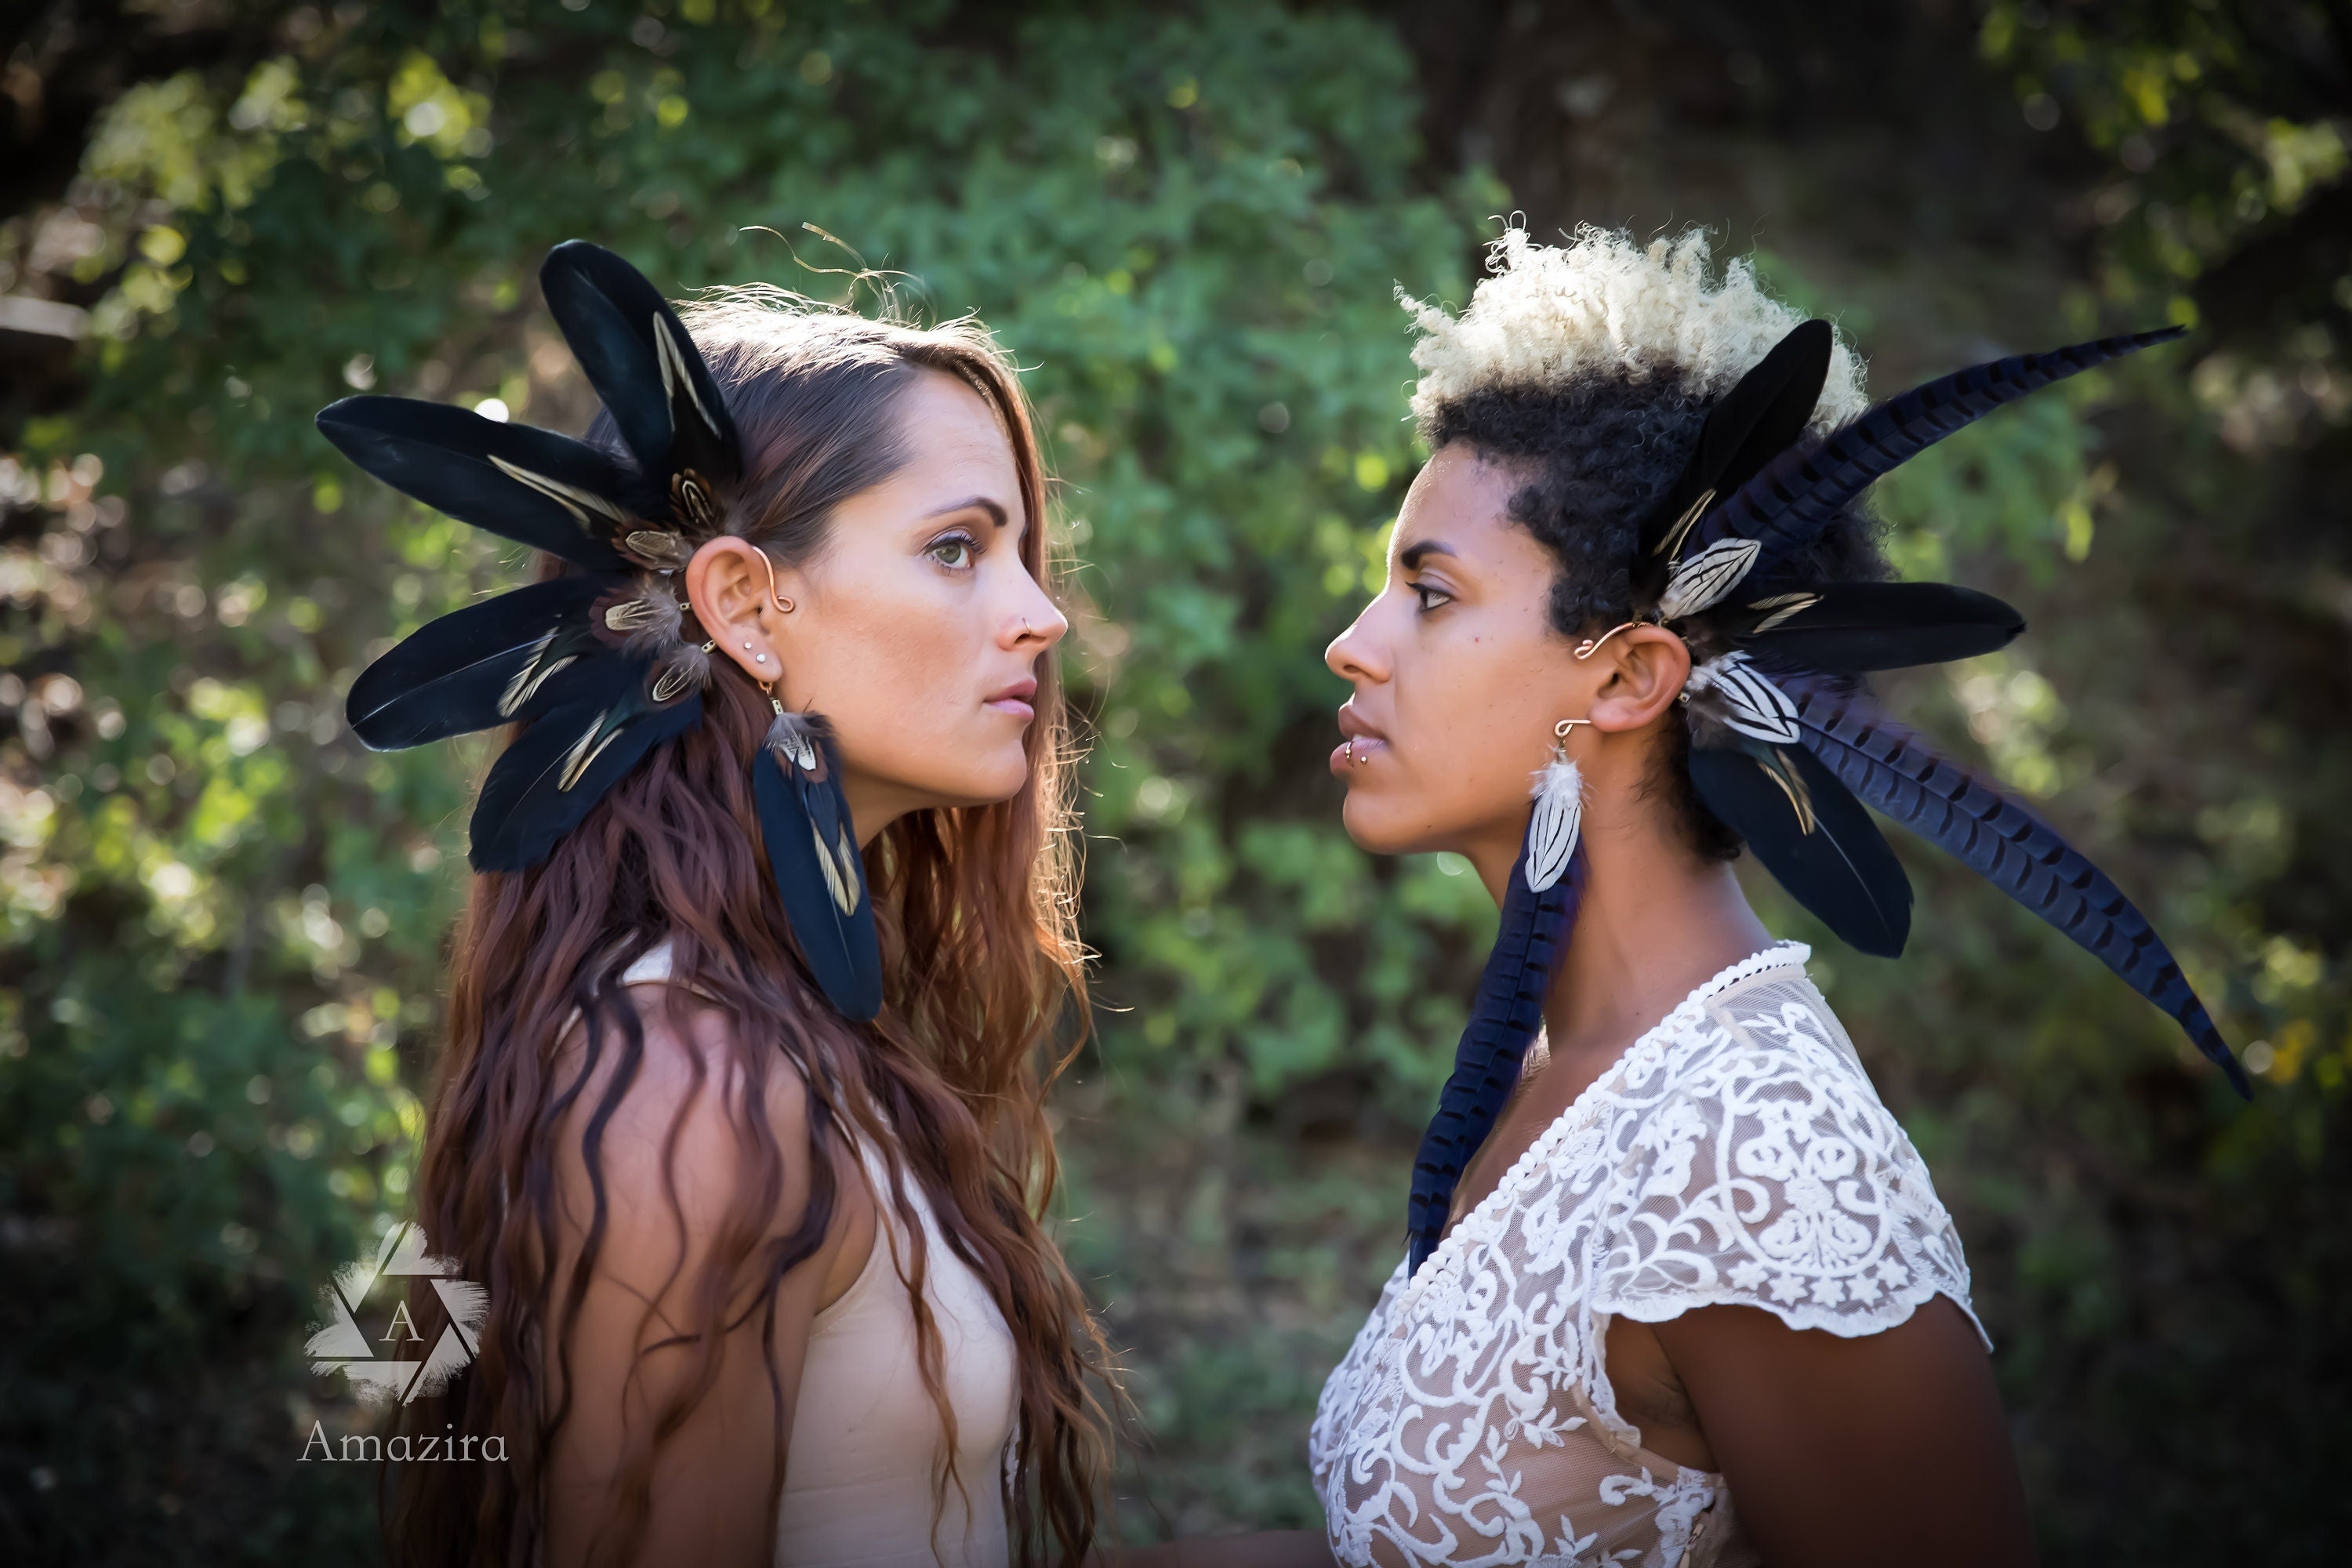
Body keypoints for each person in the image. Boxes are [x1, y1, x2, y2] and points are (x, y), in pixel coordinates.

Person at [1292, 227, 2248, 1567]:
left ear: (1629, 677)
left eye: (1430, 594)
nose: (1353, 644)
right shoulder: (1564, 1074)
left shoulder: (1754, 1151)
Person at [315, 242, 1112, 1567]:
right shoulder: (686, 1081)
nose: (1041, 616)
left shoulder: (789, 1020)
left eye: (1023, 553)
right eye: (958, 549)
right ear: (742, 603)